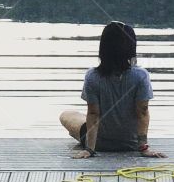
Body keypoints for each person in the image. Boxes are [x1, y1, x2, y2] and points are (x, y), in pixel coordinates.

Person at [59, 21, 166, 159]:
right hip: (132, 144)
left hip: (99, 144)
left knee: (66, 114)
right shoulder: (141, 75)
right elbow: (143, 112)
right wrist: (144, 148)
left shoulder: (92, 76)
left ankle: (88, 142)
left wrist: (90, 150)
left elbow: (93, 114)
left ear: (103, 48)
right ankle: (140, 144)